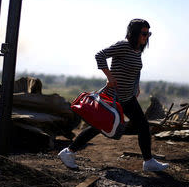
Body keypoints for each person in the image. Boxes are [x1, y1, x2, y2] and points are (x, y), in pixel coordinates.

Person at [58, 18, 169, 172]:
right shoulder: (123, 45)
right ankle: (68, 152)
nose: (146, 37)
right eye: (144, 33)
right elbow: (100, 55)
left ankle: (148, 161)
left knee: (143, 125)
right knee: (98, 127)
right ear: (135, 33)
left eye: (148, 34)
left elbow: (136, 70)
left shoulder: (137, 50)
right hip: (112, 97)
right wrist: (109, 77)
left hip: (128, 97)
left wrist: (136, 86)